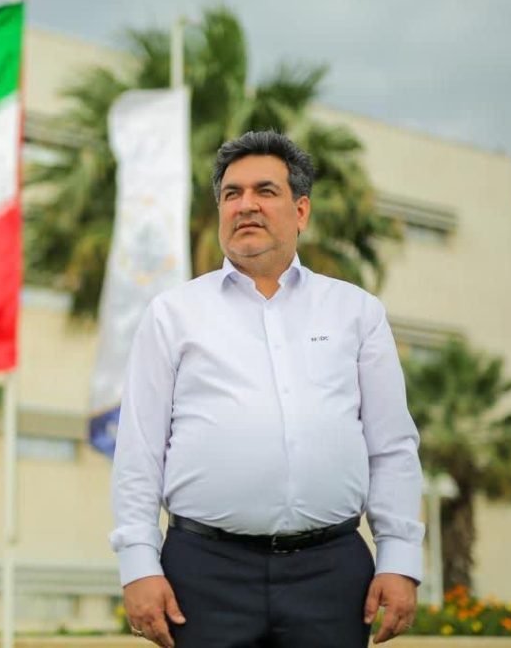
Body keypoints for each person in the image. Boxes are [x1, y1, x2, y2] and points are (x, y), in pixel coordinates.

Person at [110, 130, 425, 647]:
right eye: (231, 194)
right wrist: (138, 564)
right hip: (202, 576)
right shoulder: (172, 315)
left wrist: (400, 557)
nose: (245, 205)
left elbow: (391, 446)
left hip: (332, 575)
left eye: (265, 191)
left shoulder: (357, 312)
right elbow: (138, 452)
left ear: (301, 211)